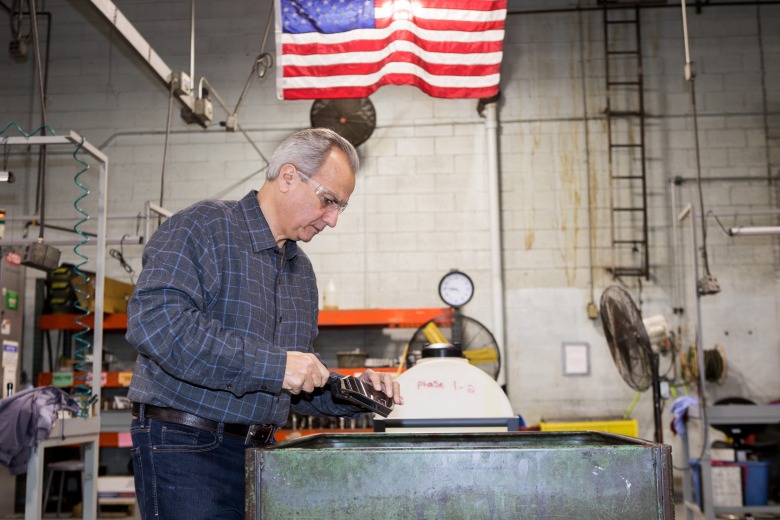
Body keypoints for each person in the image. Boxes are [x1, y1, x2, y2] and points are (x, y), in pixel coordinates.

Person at [125, 127, 403, 519]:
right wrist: (278, 367)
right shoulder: (203, 227)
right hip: (185, 446)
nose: (333, 220)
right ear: (289, 177)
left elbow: (293, 381)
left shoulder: (300, 271)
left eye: (340, 207)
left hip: (260, 453)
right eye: (328, 201)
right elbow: (157, 325)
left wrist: (355, 390)